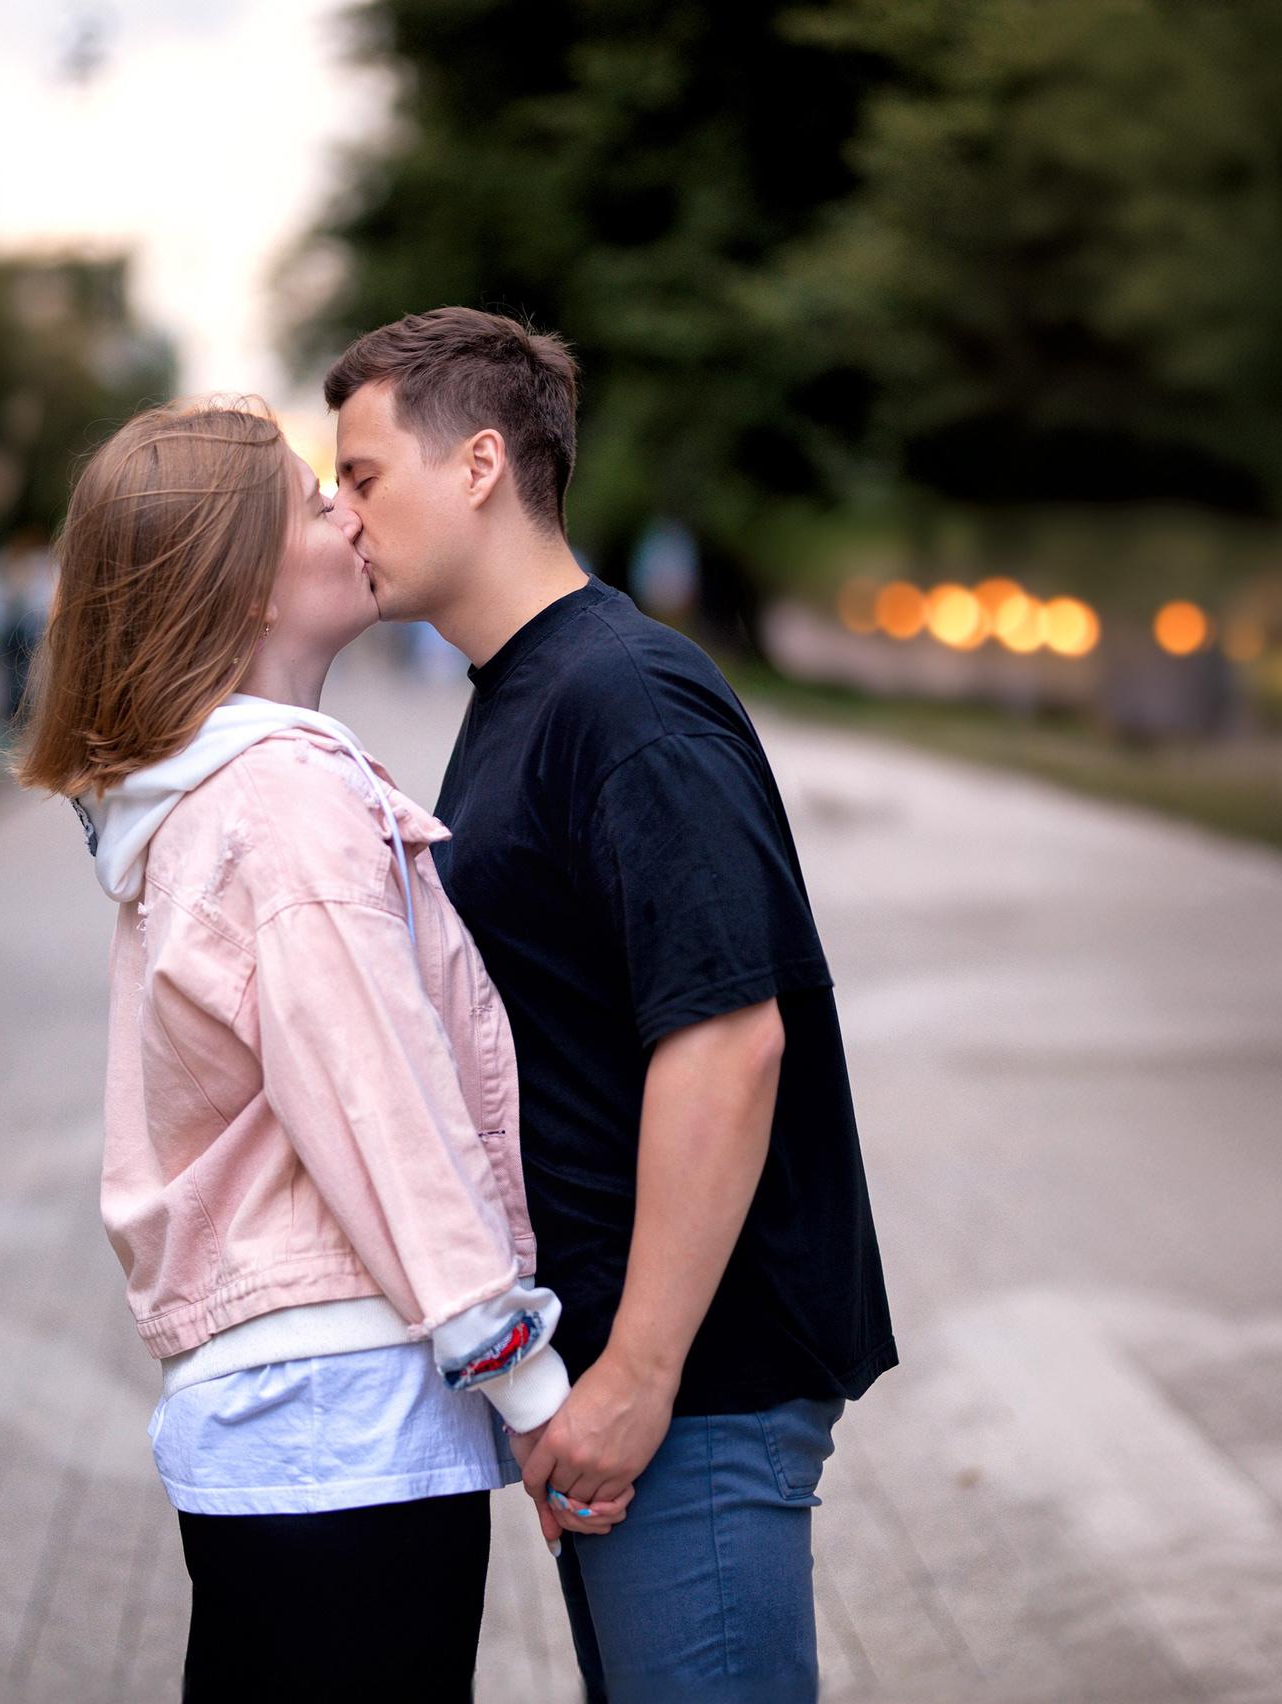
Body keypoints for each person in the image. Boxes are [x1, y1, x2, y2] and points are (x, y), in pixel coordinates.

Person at [325, 310, 898, 1704]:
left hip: (699, 1389)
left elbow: (727, 1036)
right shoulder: (523, 693)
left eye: (360, 476)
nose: (341, 517)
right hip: (624, 1394)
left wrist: (637, 1374)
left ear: (476, 466)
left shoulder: (625, 697)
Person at [15, 398, 623, 1702]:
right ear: (239, 585)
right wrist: (530, 1388)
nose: (345, 509)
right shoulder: (285, 802)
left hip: (283, 1413)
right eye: (308, 501)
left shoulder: (219, 797)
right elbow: (382, 1109)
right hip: (344, 1416)